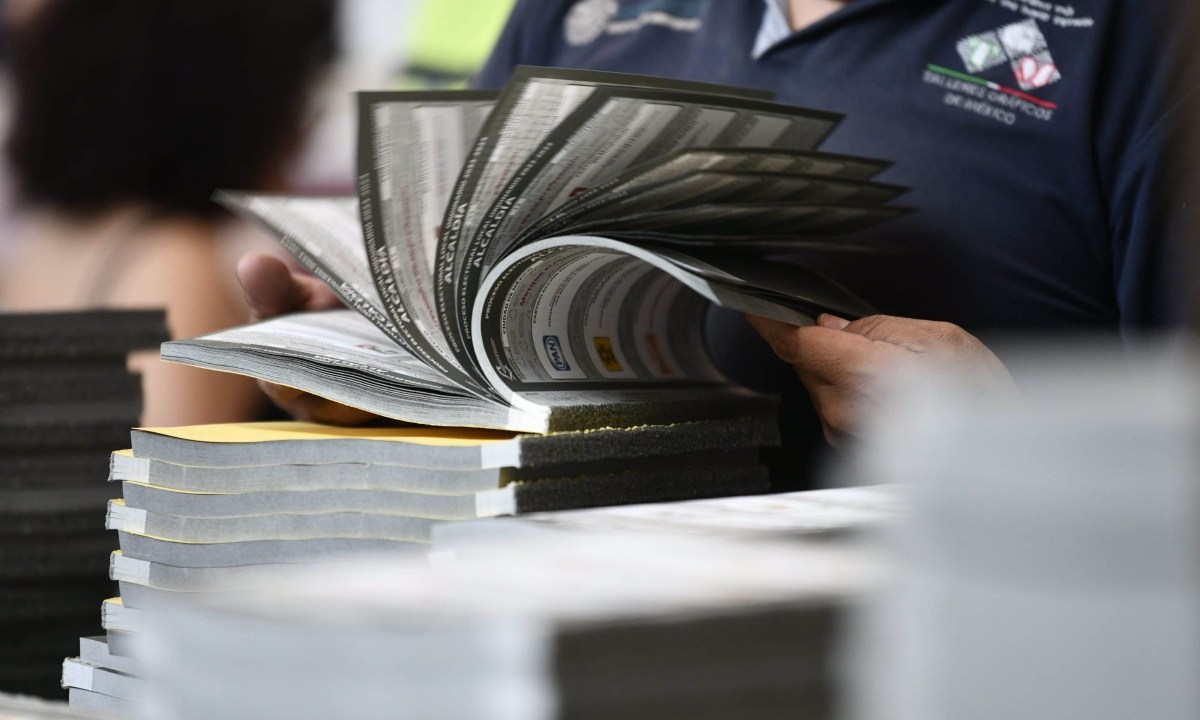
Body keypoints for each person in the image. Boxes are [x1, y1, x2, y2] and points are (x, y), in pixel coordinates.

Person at [238, 0, 1189, 485]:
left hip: (951, 646)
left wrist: (999, 435)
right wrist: (375, 372)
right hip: (569, 637)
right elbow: (476, 321)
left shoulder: (1143, 37)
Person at [0, 0, 338, 426]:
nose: (305, 124)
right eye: (299, 86)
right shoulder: (177, 267)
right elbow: (173, 482)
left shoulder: (46, 236)